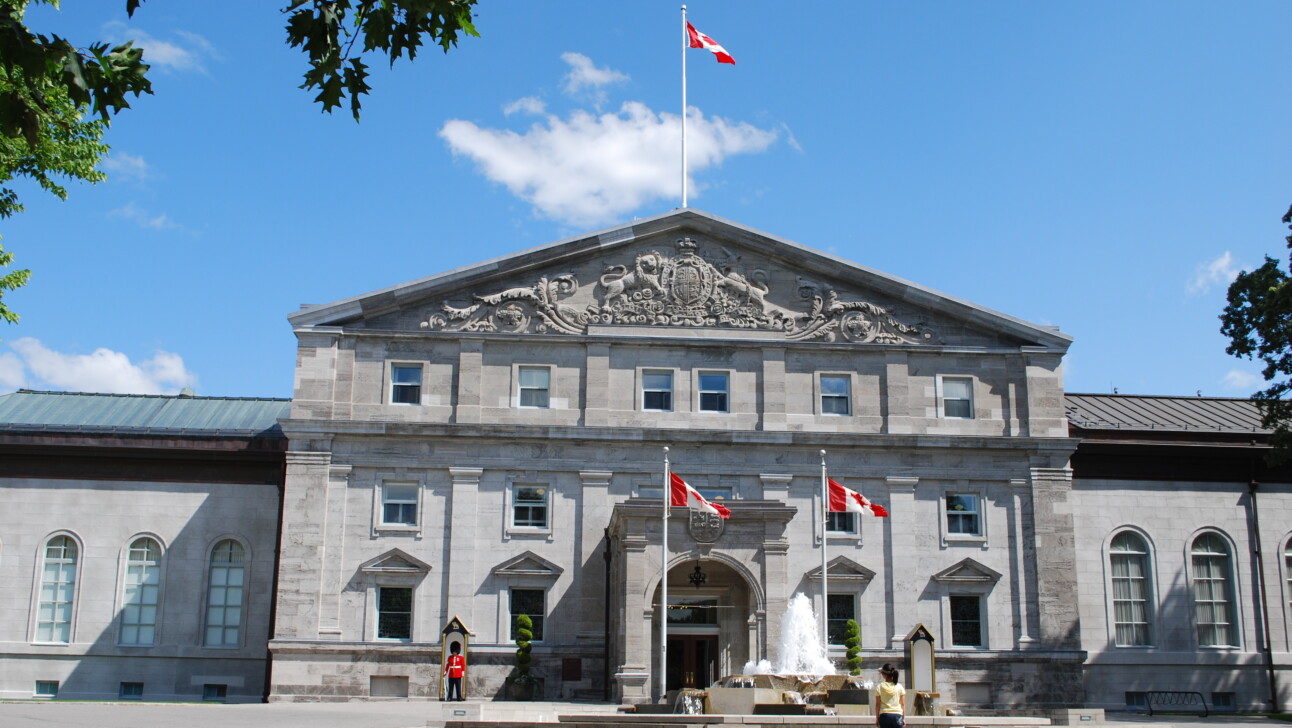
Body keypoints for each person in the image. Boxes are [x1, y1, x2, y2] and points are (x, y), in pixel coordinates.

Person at [874, 663, 905, 728]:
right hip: (897, 715)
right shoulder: (899, 687)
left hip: (884, 715)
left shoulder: (880, 687)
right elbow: (902, 704)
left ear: (884, 675)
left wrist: (877, 718)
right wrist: (903, 718)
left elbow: (877, 704)